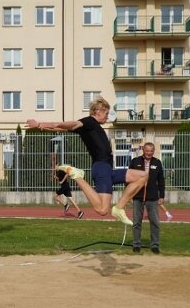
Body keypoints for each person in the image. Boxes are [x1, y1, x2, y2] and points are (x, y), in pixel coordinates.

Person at [25, 96, 148, 225]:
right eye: (106, 113)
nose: (107, 117)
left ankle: (118, 208)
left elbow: (64, 129)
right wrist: (42, 123)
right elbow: (73, 124)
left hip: (107, 170)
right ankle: (77, 176)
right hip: (101, 168)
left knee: (143, 176)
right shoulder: (90, 121)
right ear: (98, 111)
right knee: (102, 209)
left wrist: (42, 127)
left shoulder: (91, 127)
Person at [129, 142, 165, 254]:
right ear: (143, 150)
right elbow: (129, 178)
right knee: (136, 222)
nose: (149, 153)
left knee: (154, 222)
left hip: (152, 197)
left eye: (151, 151)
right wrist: (129, 194)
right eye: (147, 150)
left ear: (153, 151)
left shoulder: (157, 163)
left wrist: (161, 196)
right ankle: (136, 244)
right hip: (137, 196)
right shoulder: (135, 162)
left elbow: (161, 181)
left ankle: (154, 245)